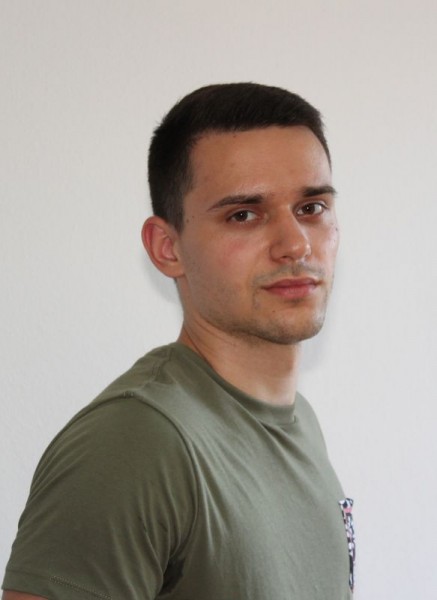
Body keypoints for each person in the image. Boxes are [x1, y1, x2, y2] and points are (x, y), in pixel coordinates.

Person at [2, 82, 355, 600]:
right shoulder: (137, 443)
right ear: (167, 247)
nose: (295, 244)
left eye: (311, 207)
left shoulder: (298, 422)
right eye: (244, 215)